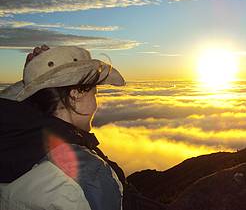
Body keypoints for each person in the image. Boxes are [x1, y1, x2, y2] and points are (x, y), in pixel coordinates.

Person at [0, 45, 167, 210]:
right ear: (75, 95)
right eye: (94, 93)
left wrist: (34, 77)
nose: (96, 103)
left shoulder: (13, 143)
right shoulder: (88, 173)